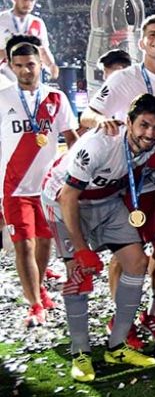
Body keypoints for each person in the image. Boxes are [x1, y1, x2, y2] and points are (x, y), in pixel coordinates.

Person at [41, 95, 155, 382]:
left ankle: (116, 345)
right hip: (63, 202)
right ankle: (80, 352)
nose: (150, 133)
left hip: (107, 201)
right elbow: (69, 196)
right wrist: (80, 250)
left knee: (137, 263)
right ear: (128, 122)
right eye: (143, 125)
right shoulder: (100, 143)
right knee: (78, 275)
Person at [79, 14, 155, 344]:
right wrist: (102, 122)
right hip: (129, 182)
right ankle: (121, 320)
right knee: (126, 254)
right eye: (152, 34)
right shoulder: (124, 78)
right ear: (141, 43)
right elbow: (86, 115)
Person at [0, 41, 78, 326]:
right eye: (18, 66)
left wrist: (74, 176)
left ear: (40, 65)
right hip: (13, 188)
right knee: (24, 246)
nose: (25, 71)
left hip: (48, 189)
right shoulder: (2, 98)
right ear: (10, 65)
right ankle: (34, 305)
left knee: (45, 244)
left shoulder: (56, 99)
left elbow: (72, 140)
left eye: (30, 65)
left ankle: (40, 288)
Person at [0, 0, 58, 78]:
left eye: (32, 0)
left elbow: (43, 50)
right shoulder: (1, 20)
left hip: (31, 79)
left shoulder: (38, 23)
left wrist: (51, 66)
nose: (28, 4)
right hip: (5, 78)